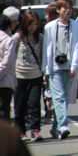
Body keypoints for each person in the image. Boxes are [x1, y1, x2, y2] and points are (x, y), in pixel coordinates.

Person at [42, 0, 78, 140]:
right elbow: (46, 48)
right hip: (54, 66)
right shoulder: (49, 27)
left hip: (69, 65)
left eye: (69, 9)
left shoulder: (76, 26)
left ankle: (55, 128)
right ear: (58, 10)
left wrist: (74, 66)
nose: (67, 11)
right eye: (64, 9)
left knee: (63, 98)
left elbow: (77, 46)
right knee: (59, 97)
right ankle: (63, 125)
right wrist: (46, 69)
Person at [14, 11, 44, 141]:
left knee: (34, 104)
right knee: (20, 105)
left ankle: (35, 130)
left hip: (36, 75)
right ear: (25, 24)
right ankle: (20, 131)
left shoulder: (41, 38)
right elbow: (11, 55)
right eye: (30, 24)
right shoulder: (18, 38)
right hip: (19, 76)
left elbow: (43, 55)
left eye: (35, 24)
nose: (33, 27)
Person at [0, 14, 18, 121]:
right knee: (4, 110)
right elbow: (8, 62)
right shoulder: (9, 40)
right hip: (6, 81)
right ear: (8, 26)